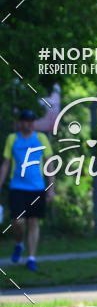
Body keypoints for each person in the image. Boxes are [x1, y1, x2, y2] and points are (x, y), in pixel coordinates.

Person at [0, 108, 54, 271]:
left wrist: (51, 187)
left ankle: (31, 258)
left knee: (34, 222)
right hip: (17, 187)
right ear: (20, 123)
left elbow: (50, 163)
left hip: (37, 187)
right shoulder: (12, 139)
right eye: (25, 121)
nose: (28, 124)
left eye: (31, 122)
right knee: (18, 221)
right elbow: (6, 163)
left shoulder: (41, 138)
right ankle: (18, 243)